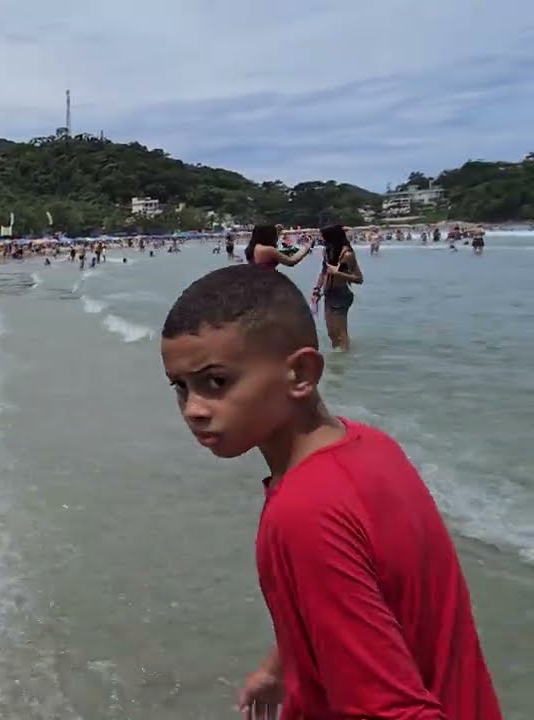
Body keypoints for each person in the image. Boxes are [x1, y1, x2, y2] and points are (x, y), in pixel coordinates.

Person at [159, 265, 501, 720]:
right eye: (181, 388)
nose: (193, 409)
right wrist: (281, 666)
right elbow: (370, 600)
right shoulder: (372, 447)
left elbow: (394, 711)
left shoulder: (304, 513)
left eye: (216, 382)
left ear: (301, 373)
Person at [314, 225, 362, 351]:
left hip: (341, 294)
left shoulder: (347, 254)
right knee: (332, 334)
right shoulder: (327, 251)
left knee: (341, 333)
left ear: (331, 238)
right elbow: (323, 272)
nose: (321, 239)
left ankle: (346, 358)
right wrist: (316, 290)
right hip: (328, 294)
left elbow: (359, 278)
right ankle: (338, 360)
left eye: (323, 237)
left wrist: (338, 273)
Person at [245, 224, 311, 269]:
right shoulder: (268, 250)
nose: (276, 236)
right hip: (266, 279)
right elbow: (291, 261)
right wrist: (306, 248)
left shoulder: (253, 247)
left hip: (255, 278)